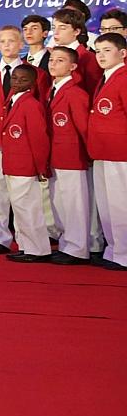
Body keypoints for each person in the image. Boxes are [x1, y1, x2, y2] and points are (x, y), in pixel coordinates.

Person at [0, 27, 30, 255]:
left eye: (12, 41)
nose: (7, 45)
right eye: (3, 41)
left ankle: (25, 237)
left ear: (21, 44)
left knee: (21, 191)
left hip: (20, 139)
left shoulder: (31, 72)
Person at [0, 64, 52, 263]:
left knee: (29, 209)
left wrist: (40, 167)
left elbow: (39, 138)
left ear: (33, 83)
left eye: (23, 80)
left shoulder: (31, 104)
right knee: (20, 208)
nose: (18, 83)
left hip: (25, 166)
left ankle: (38, 249)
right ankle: (26, 245)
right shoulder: (12, 100)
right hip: (13, 164)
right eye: (15, 78)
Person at [45, 47, 92, 265]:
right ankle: (66, 244)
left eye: (60, 60)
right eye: (52, 60)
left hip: (72, 156)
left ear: (73, 66)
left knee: (74, 203)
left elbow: (84, 128)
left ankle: (78, 249)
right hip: (55, 155)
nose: (53, 64)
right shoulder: (51, 90)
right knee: (59, 203)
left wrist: (89, 154)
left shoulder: (76, 93)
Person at [88, 32, 127, 271]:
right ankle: (114, 250)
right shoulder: (106, 77)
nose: (100, 56)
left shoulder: (123, 78)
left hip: (120, 152)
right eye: (98, 51)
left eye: (107, 51)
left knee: (121, 204)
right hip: (103, 151)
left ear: (122, 53)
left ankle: (124, 254)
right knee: (107, 204)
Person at [53, 7, 102, 93]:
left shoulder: (88, 57)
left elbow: (94, 90)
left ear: (76, 31)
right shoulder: (54, 55)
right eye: (54, 27)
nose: (56, 32)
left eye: (62, 28)